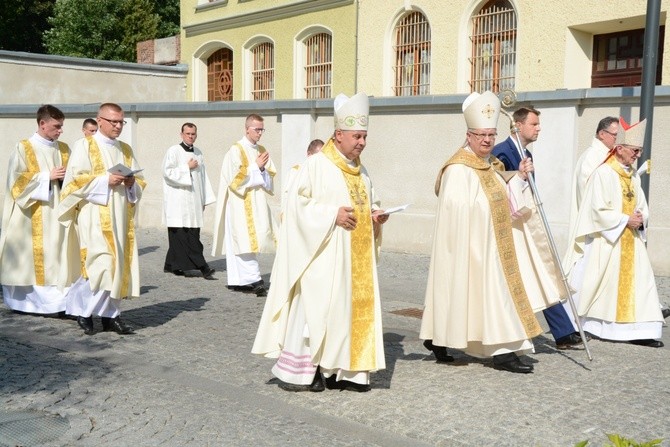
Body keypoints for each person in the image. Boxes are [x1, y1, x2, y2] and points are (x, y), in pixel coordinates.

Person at [420, 91, 566, 374]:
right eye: (481, 135)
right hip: (473, 246)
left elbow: (501, 191)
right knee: (482, 294)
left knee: (493, 296)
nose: (487, 141)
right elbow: (457, 209)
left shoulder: (491, 164)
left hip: (497, 243)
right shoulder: (458, 169)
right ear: (469, 135)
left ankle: (445, 338)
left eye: (491, 134)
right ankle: (501, 352)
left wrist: (519, 178)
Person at [252, 93, 389, 392]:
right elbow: (296, 205)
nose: (362, 142)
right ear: (339, 135)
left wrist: (376, 215)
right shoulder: (316, 165)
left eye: (365, 136)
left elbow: (370, 199)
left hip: (355, 261)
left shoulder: (361, 171)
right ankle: (299, 373)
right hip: (321, 257)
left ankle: (343, 372)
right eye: (357, 136)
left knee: (346, 315)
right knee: (314, 314)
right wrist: (332, 215)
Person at [564, 118, 665, 347]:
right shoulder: (603, 173)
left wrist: (640, 219)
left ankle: (639, 330)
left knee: (640, 284)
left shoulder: (633, 175)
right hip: (608, 240)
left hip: (631, 239)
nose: (638, 155)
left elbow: (641, 205)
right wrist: (623, 219)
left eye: (639, 150)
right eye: (635, 150)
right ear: (620, 149)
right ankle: (598, 327)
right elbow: (596, 209)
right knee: (600, 286)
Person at [492, 107, 584, 350]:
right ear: (518, 125)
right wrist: (519, 176)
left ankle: (563, 331)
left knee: (542, 271)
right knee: (531, 275)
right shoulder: (501, 152)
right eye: (534, 124)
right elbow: (498, 188)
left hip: (527, 221)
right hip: (512, 226)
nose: (538, 128)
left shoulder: (525, 151)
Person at [58, 103, 146, 335]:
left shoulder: (125, 149)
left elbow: (141, 181)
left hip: (120, 216)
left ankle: (111, 315)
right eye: (114, 122)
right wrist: (104, 181)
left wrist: (131, 183)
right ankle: (83, 312)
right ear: (100, 121)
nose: (118, 126)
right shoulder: (84, 146)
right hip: (95, 214)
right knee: (99, 266)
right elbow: (74, 180)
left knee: (117, 266)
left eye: (121, 122)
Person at [0, 105, 77, 316]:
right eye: (56, 126)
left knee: (58, 257)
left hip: (58, 213)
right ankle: (27, 304)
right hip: (31, 215)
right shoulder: (23, 148)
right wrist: (46, 177)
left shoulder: (64, 149)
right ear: (42, 124)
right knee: (33, 261)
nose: (60, 130)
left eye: (61, 126)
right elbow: (15, 182)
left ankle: (60, 304)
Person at [211, 114, 277, 297]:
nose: (260, 133)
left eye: (262, 129)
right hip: (239, 202)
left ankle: (239, 280)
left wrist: (262, 169)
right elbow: (234, 180)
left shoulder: (261, 149)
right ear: (247, 128)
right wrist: (256, 167)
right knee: (243, 240)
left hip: (256, 201)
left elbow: (270, 178)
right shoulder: (236, 150)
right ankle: (255, 279)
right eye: (257, 129)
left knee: (246, 239)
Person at [162, 123, 217, 279]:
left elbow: (203, 177)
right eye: (187, 133)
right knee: (182, 235)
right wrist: (187, 167)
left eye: (193, 134)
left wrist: (205, 198)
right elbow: (167, 173)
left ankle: (171, 265)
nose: (190, 136)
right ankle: (203, 267)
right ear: (181, 134)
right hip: (178, 200)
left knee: (190, 233)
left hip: (194, 199)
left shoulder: (198, 153)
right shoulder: (173, 151)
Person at [280, 138, 324, 218]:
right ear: (309, 154)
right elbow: (288, 197)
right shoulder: (296, 172)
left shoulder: (324, 174)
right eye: (318, 156)